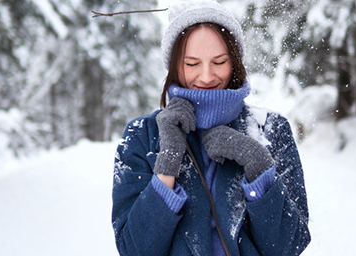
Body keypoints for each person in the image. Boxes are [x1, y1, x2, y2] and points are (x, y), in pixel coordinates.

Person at [112, 0, 311, 255]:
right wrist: (167, 164)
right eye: (192, 63)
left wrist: (258, 165)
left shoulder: (271, 130)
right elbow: (134, 249)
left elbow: (289, 245)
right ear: (174, 66)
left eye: (219, 62)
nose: (206, 76)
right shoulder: (142, 135)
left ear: (235, 63)